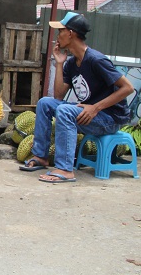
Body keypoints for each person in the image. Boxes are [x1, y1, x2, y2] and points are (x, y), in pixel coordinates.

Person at [19, 12, 133, 182]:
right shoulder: (72, 63)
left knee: (65, 111)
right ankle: (41, 156)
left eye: (61, 31)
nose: (58, 36)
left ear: (71, 33)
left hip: (109, 118)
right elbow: (58, 95)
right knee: (45, 103)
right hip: (89, 114)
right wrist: (59, 63)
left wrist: (95, 107)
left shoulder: (96, 60)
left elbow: (128, 88)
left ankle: (65, 169)